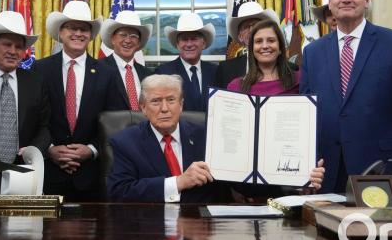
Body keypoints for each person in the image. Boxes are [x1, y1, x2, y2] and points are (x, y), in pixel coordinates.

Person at [300, 0, 392, 193]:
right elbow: (307, 118)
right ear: (330, 3)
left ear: (366, 1)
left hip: (382, 171)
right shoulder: (312, 53)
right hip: (327, 174)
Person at [108, 74, 324, 202]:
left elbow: (244, 182)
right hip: (149, 229)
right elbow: (119, 191)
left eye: (171, 100)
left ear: (182, 104)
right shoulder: (125, 142)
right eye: (156, 102)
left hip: (203, 229)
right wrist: (179, 182)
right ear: (143, 108)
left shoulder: (207, 135)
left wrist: (298, 179)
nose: (165, 108)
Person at [33, 0, 110, 201]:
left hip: (91, 176)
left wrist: (92, 150)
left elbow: (111, 119)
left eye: (84, 29)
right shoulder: (39, 69)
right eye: (71, 27)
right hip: (48, 173)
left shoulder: (106, 72)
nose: (78, 33)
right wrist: (49, 150)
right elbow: (32, 117)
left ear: (91, 35)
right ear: (60, 32)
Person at [0, 11, 51, 197]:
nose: (13, 51)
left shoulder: (36, 82)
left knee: (17, 225)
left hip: (22, 169)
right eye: (7, 44)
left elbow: (45, 125)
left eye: (19, 47)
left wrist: (35, 150)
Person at [156, 13, 217, 112]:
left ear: (204, 43)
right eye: (184, 39)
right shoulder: (164, 73)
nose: (189, 44)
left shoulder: (215, 71)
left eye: (194, 39)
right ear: (177, 44)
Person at [214, 2, 279, 89]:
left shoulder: (291, 69)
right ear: (240, 37)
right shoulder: (225, 69)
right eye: (247, 26)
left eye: (256, 25)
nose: (252, 30)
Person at [98, 10, 153, 111]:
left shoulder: (147, 74)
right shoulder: (99, 69)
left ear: (139, 43)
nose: (128, 40)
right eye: (123, 35)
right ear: (113, 39)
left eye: (133, 36)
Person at [227, 20, 298, 95]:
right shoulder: (236, 87)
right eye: (258, 41)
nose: (265, 46)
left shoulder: (299, 81)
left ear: (280, 47)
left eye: (271, 40)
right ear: (252, 49)